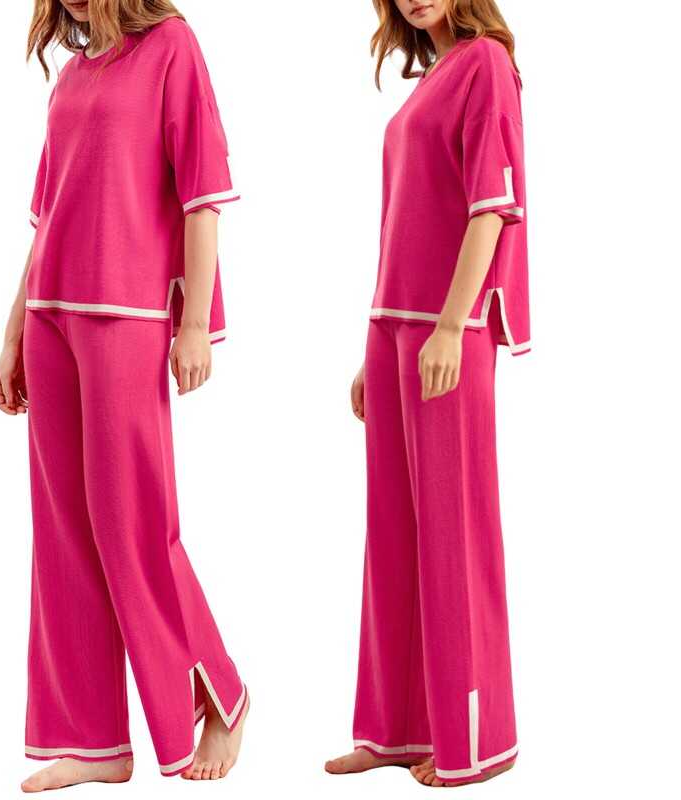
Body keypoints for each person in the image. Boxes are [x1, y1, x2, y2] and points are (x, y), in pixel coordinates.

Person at [0, 1, 247, 791]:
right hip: (51, 316)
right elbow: (47, 217)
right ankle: (92, 740)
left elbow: (202, 194)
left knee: (129, 523)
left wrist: (194, 322)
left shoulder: (172, 47)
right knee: (63, 533)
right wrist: (13, 329)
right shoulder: (71, 76)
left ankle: (220, 692)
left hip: (128, 317)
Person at [325, 0, 529, 787]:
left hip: (450, 332)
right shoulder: (432, 77)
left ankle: (471, 739)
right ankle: (397, 729)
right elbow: (404, 224)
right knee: (394, 536)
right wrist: (371, 345)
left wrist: (450, 326)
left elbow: (492, 208)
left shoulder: (485, 66)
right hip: (394, 331)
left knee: (453, 535)